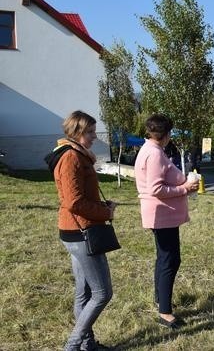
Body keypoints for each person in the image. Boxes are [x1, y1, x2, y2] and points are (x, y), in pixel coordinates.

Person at [50, 111, 116, 351]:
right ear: (76, 132)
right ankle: (73, 345)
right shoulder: (70, 158)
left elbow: (80, 197)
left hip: (77, 230)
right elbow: (74, 202)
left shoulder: (78, 155)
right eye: (89, 132)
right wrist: (105, 214)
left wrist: (101, 206)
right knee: (102, 293)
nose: (94, 137)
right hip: (80, 232)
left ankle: (87, 345)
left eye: (93, 132)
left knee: (84, 293)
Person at [134, 114, 199, 330]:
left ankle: (160, 298)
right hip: (162, 215)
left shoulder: (151, 150)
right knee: (170, 260)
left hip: (162, 215)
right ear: (167, 133)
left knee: (164, 258)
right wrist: (185, 188)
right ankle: (165, 311)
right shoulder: (154, 154)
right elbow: (156, 188)